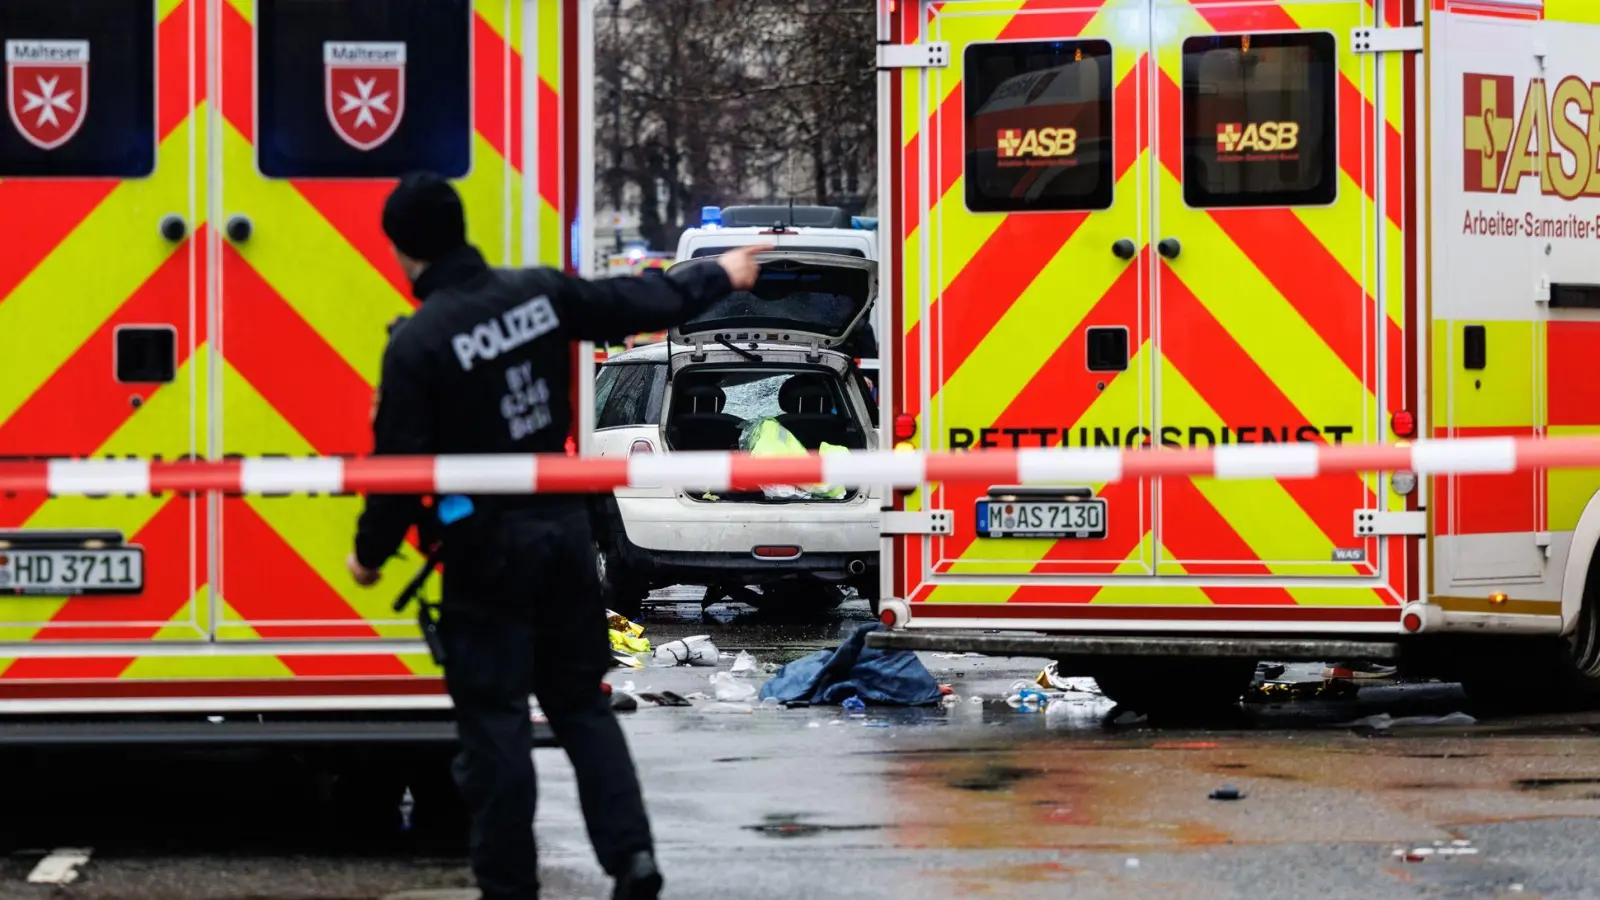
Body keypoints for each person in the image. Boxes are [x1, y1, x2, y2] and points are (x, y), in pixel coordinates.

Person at [345, 171, 769, 900]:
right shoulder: (537, 294)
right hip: (564, 534)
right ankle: (632, 858)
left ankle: (509, 886)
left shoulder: (418, 343)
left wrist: (369, 554)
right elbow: (637, 301)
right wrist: (720, 273)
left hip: (485, 551)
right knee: (581, 707)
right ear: (460, 229)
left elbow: (397, 466)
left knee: (497, 722)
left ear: (402, 252)